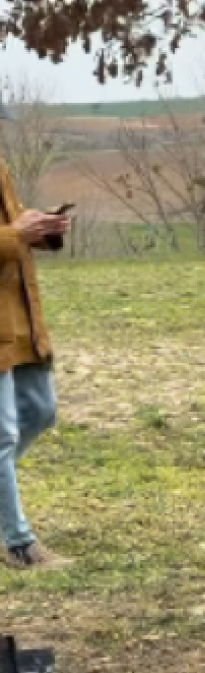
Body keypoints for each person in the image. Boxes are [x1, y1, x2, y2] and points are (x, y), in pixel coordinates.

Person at [0, 162, 70, 570]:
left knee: (40, 411)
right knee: (2, 434)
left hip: (18, 318)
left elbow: (12, 221)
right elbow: (10, 234)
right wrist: (15, 236)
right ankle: (19, 544)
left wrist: (39, 228)